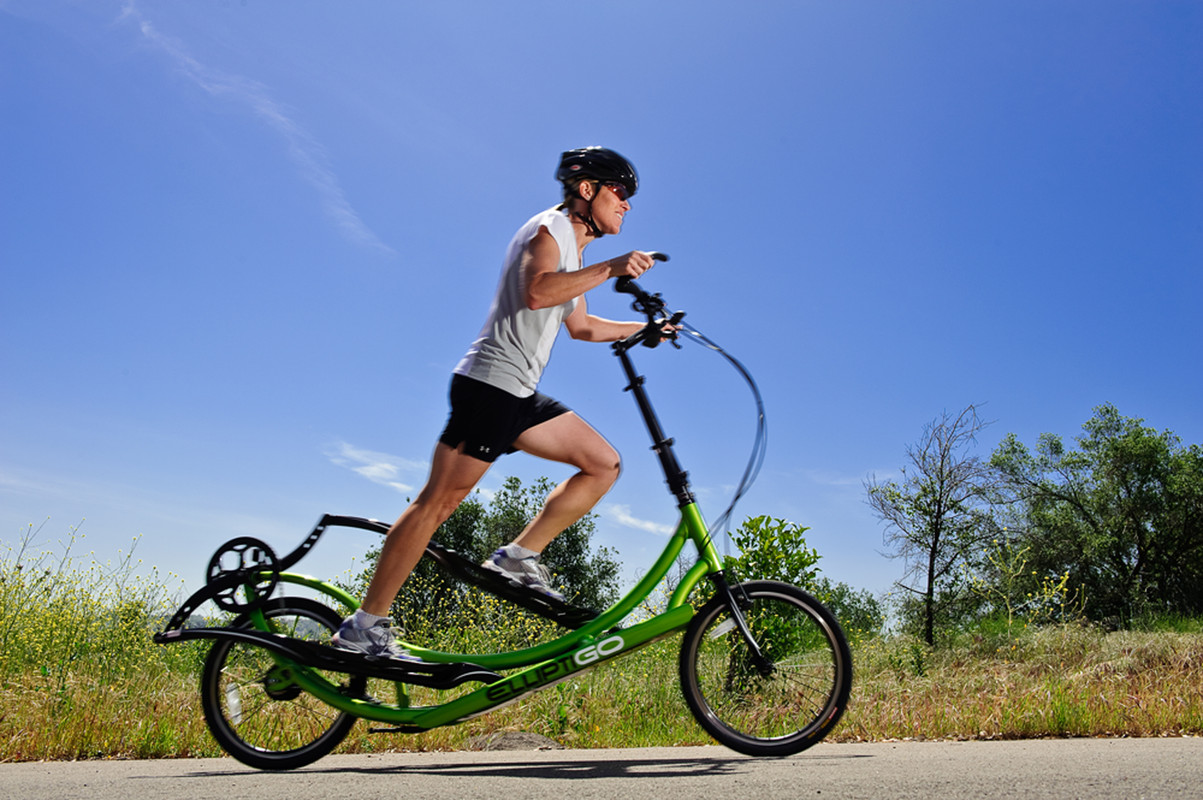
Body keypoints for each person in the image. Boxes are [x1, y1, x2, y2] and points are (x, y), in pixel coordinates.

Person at [333, 147, 662, 660]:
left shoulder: (574, 253)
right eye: (620, 192)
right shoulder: (548, 230)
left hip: (518, 394)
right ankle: (364, 627)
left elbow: (582, 326)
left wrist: (646, 327)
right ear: (587, 189)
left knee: (602, 463)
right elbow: (538, 292)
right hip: (489, 386)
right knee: (437, 504)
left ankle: (517, 557)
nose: (627, 204)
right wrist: (612, 267)